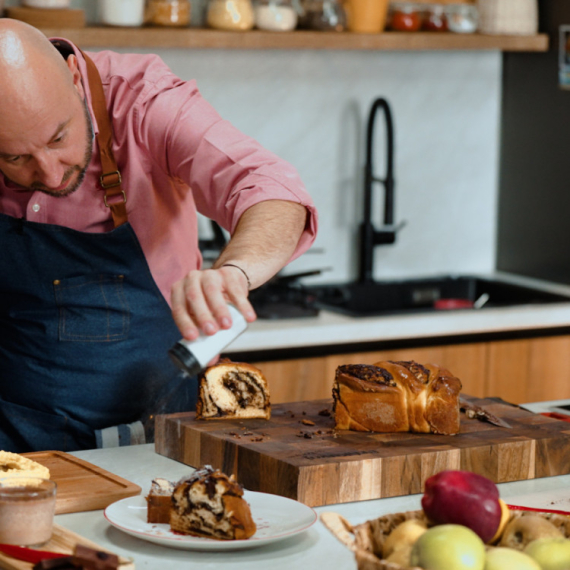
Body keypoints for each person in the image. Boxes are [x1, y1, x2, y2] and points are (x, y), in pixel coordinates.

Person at [0, 19, 317, 453]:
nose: (50, 174)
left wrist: (236, 272)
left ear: (74, 76)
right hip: (15, 445)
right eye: (15, 157)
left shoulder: (144, 102)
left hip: (156, 437)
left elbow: (270, 189)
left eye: (59, 137)